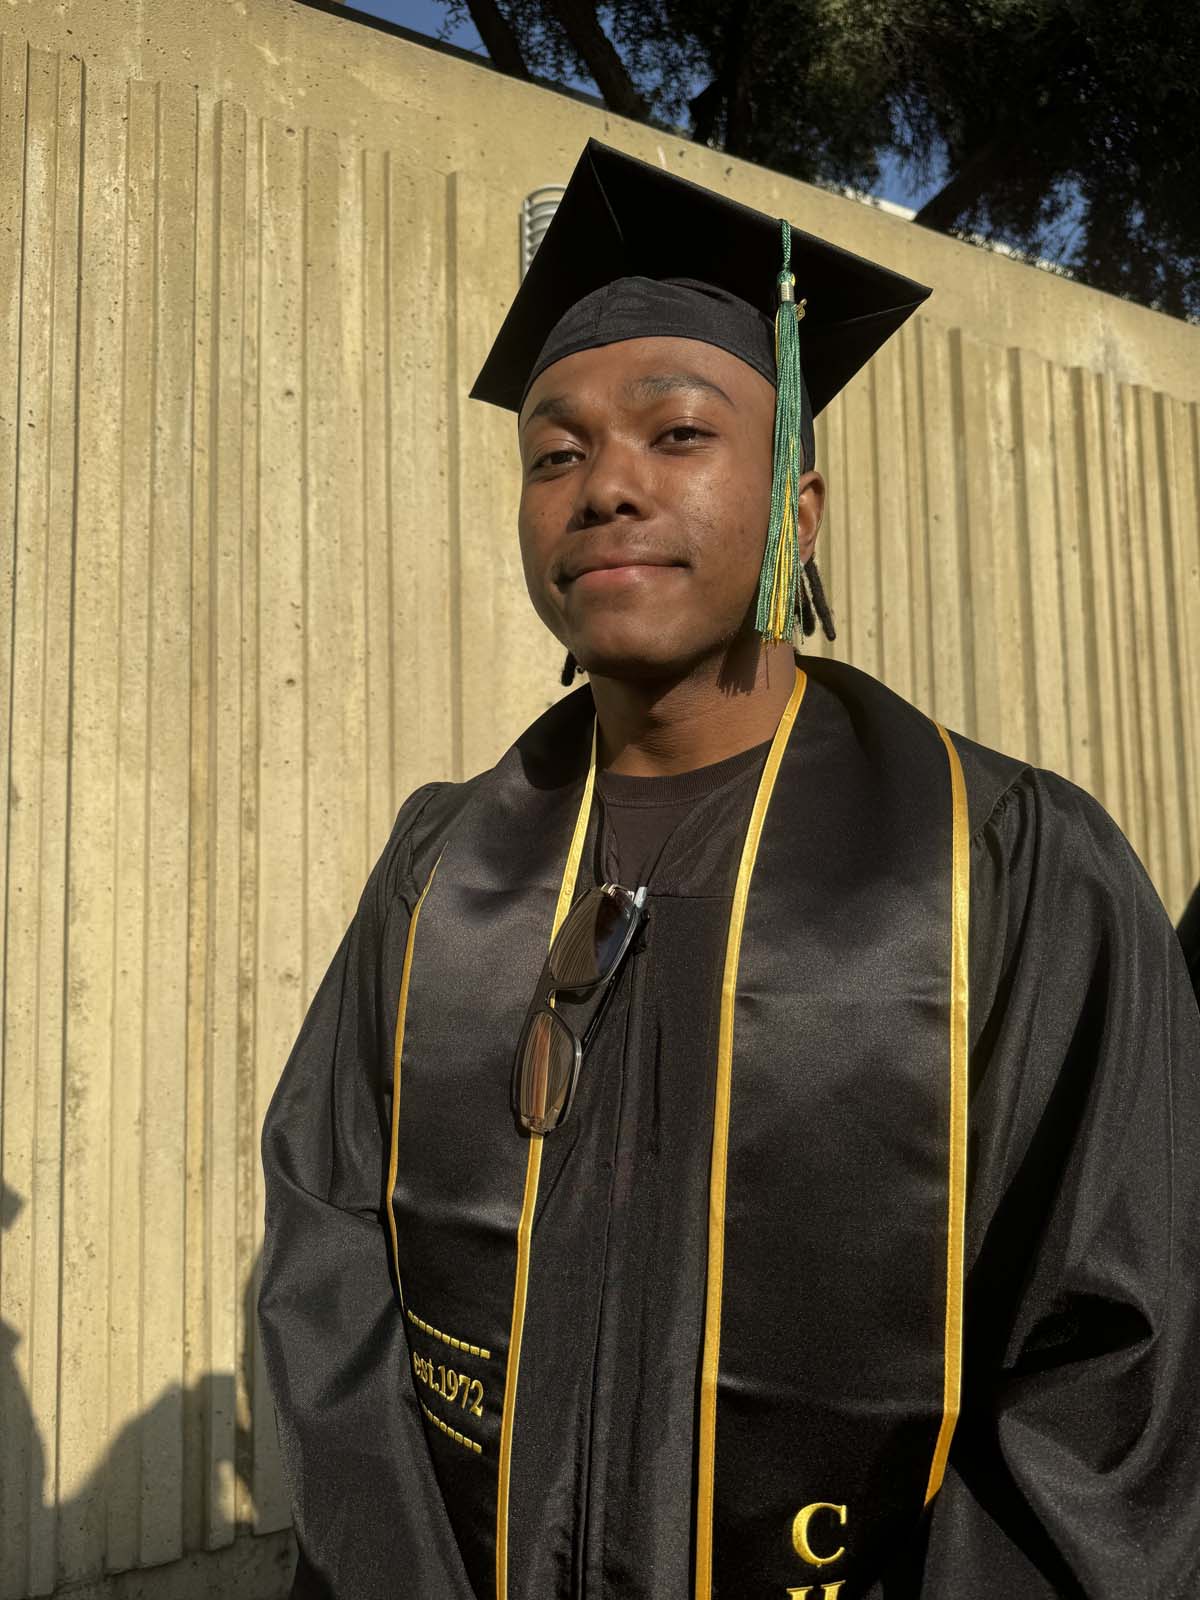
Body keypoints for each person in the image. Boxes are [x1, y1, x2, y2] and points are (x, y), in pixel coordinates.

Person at [259, 141, 1200, 1600]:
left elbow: (1112, 1374)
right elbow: (329, 1292)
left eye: (678, 435)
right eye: (554, 451)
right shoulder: (443, 868)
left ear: (798, 514)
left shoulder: (1006, 866)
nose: (605, 488)